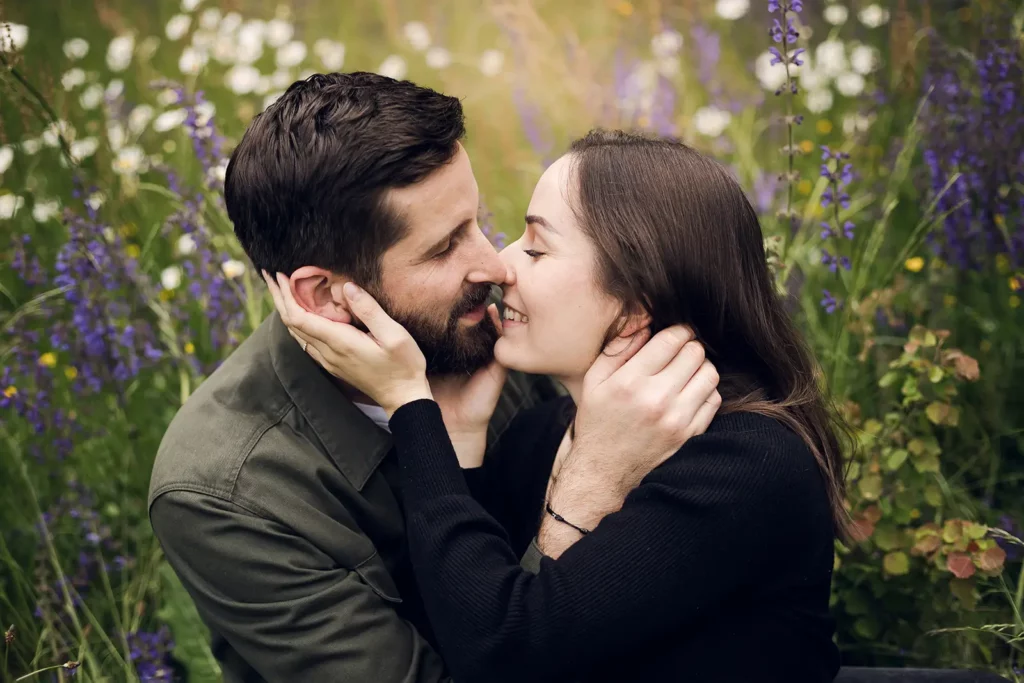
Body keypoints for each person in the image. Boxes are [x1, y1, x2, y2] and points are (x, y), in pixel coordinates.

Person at [148, 73, 717, 683]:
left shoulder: (483, 340)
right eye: (444, 247)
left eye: (476, 222)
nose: (494, 264)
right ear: (325, 295)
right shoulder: (227, 492)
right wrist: (593, 483)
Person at [268, 129, 850, 683]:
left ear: (634, 306)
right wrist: (463, 439)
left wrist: (410, 406)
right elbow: (450, 631)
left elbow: (504, 651)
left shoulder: (744, 463)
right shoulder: (540, 433)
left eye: (538, 248)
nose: (501, 265)